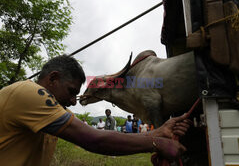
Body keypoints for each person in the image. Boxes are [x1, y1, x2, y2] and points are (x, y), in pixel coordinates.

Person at [0, 55, 191, 166]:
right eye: (71, 92)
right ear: (53, 79)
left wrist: (158, 132)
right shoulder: (30, 93)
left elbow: (96, 135)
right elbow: (93, 139)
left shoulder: (48, 111)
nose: (74, 102)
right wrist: (156, 142)